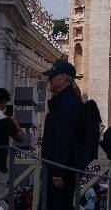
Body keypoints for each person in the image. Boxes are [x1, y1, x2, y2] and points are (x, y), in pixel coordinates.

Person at [41, 59, 84, 210]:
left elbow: (65, 138)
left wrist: (58, 171)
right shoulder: (65, 101)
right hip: (57, 169)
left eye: (53, 76)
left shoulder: (67, 103)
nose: (49, 80)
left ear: (64, 78)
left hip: (58, 172)